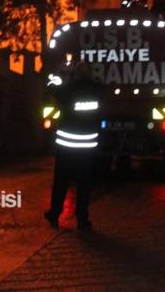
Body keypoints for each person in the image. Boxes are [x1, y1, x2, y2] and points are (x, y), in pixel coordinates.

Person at [44, 59, 103, 231]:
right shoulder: (96, 90)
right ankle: (83, 220)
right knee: (84, 186)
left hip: (67, 147)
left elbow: (51, 87)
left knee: (61, 182)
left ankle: (55, 213)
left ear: (75, 74)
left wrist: (60, 74)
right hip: (87, 147)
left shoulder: (68, 90)